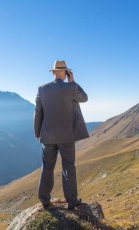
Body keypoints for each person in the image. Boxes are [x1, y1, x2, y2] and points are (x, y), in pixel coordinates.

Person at [34, 60, 89, 210]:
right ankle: (72, 201)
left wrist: (37, 132)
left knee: (47, 167)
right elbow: (84, 98)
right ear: (65, 73)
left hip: (48, 136)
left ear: (53, 72)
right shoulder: (70, 88)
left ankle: (45, 200)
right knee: (68, 167)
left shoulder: (42, 89)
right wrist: (73, 82)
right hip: (67, 136)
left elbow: (38, 112)